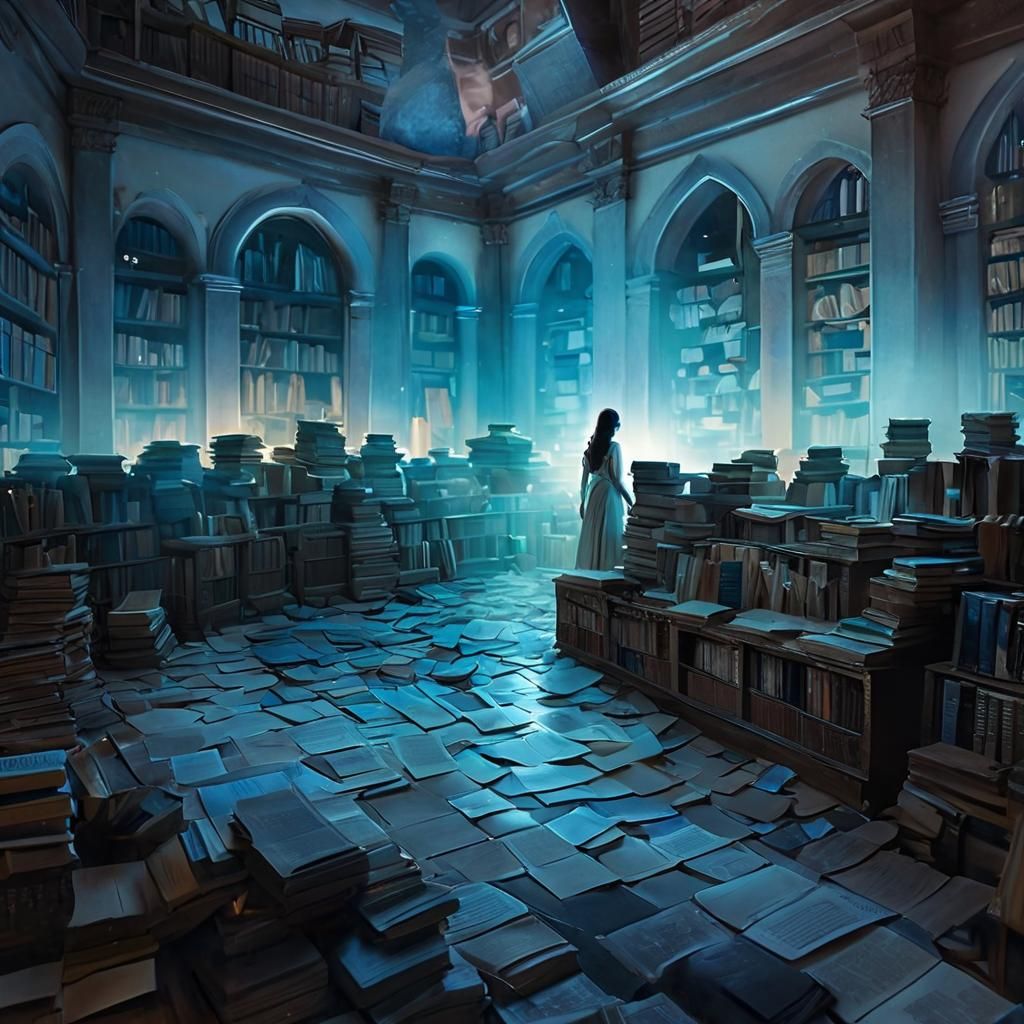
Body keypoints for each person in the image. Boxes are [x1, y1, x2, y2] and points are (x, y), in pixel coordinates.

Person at [575, 408, 633, 571]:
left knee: (593, 536)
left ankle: (592, 571)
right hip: (608, 495)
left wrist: (582, 502)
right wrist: (631, 502)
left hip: (593, 494)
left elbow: (583, 482)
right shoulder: (614, 447)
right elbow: (617, 480)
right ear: (612, 427)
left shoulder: (590, 449)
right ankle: (607, 571)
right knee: (609, 538)